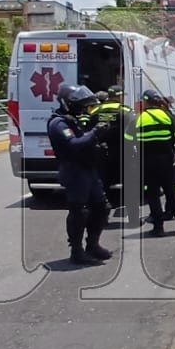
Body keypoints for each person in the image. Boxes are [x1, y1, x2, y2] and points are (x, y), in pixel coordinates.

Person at [46, 85, 119, 265]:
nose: (83, 108)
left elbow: (85, 139)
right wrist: (95, 132)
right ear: (68, 103)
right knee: (79, 211)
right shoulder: (58, 124)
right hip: (74, 172)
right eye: (80, 105)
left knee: (102, 207)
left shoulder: (74, 120)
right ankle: (77, 251)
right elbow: (74, 144)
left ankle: (92, 245)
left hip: (89, 169)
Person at [134, 89, 175, 236]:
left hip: (147, 164)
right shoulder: (167, 116)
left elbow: (130, 140)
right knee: (172, 192)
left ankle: (158, 228)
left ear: (145, 102)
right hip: (166, 162)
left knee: (153, 195)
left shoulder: (140, 119)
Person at [90, 86, 134, 213]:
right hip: (122, 152)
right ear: (119, 96)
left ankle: (102, 214)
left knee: (103, 184)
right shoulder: (126, 111)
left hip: (101, 153)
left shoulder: (95, 111)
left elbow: (89, 132)